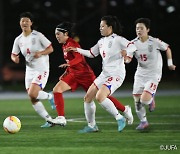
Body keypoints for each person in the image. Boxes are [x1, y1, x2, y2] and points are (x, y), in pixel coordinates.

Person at [45, 21, 134, 128]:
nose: (56, 36)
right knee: (57, 90)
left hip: (85, 75)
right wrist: (66, 72)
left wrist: (69, 63)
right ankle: (62, 118)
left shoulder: (72, 43)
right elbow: (88, 54)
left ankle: (124, 109)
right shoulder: (65, 45)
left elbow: (78, 59)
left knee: (101, 96)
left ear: (66, 33)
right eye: (55, 34)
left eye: (58, 34)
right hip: (74, 75)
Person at [66, 15, 136, 133]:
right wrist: (77, 50)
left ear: (110, 27)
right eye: (100, 26)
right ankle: (92, 126)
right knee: (88, 98)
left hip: (116, 74)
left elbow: (133, 46)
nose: (100, 28)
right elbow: (91, 53)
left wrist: (127, 51)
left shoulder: (118, 39)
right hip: (105, 74)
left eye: (102, 26)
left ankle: (119, 118)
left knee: (100, 96)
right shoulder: (101, 41)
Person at [125, 18, 176, 130]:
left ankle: (150, 99)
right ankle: (144, 122)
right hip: (140, 74)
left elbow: (167, 48)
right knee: (137, 101)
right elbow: (128, 59)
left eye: (141, 28)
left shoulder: (154, 42)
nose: (139, 30)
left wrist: (170, 64)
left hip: (153, 74)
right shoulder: (132, 43)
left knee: (144, 100)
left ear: (147, 29)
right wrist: (125, 58)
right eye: (137, 28)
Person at [11, 12, 55, 128]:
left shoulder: (38, 35)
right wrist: (15, 58)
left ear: (31, 23)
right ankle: (49, 120)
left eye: (27, 21)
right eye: (22, 21)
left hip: (42, 68)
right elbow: (13, 54)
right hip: (29, 70)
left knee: (32, 93)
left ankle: (51, 96)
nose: (24, 23)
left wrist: (40, 53)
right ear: (20, 23)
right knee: (32, 97)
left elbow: (50, 49)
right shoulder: (18, 39)